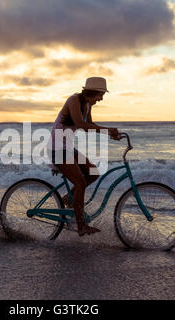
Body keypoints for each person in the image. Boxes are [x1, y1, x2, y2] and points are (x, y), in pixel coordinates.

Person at [47, 77, 121, 236]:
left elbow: (89, 127)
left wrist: (110, 134)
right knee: (80, 182)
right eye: (100, 95)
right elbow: (81, 124)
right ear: (92, 92)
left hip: (67, 148)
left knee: (93, 173)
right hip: (57, 149)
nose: (101, 99)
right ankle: (81, 226)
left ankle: (69, 198)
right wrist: (108, 129)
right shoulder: (74, 100)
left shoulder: (87, 104)